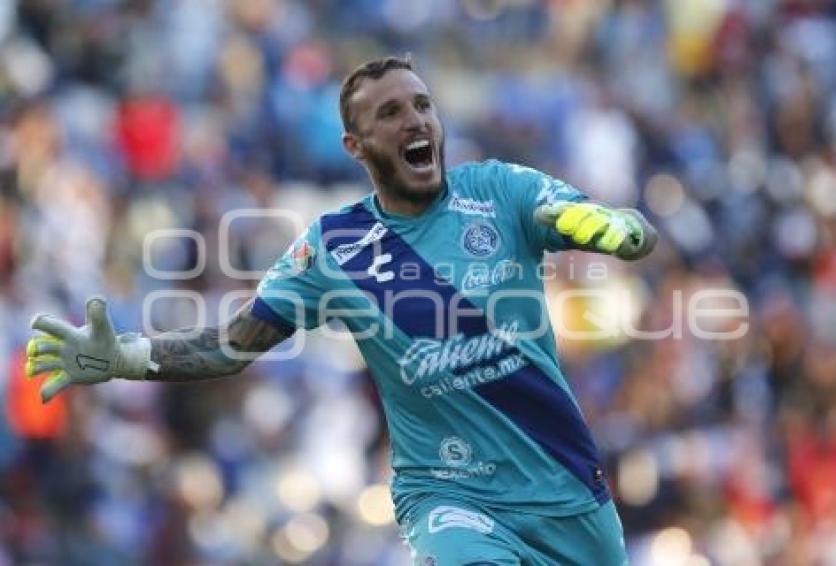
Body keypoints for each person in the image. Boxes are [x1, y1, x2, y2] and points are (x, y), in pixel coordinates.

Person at [26, 55, 656, 565]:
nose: (416, 121)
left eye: (422, 105)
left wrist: (609, 226)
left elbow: (594, 220)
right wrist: (128, 356)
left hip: (566, 488)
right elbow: (233, 344)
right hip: (449, 494)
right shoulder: (335, 248)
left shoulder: (499, 189)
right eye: (391, 113)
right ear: (356, 146)